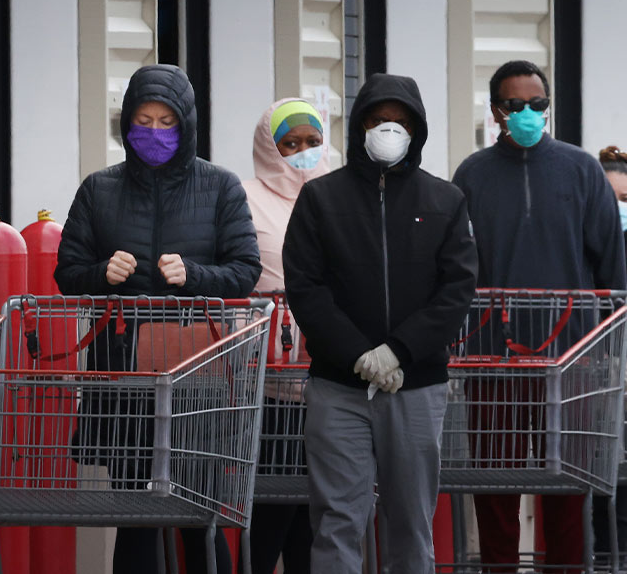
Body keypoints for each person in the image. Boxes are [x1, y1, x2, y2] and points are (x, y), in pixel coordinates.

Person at [53, 63, 261, 574]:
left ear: (186, 125)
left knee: (198, 513)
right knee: (135, 516)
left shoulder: (220, 186)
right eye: (143, 121)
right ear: (126, 123)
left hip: (198, 382)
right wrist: (102, 273)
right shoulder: (99, 189)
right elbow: (67, 273)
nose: (154, 132)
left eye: (166, 122)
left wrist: (194, 275)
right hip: (123, 379)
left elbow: (245, 271)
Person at [283, 73, 478, 574]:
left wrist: (398, 351)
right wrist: (358, 355)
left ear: (417, 130)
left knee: (411, 522)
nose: (390, 129)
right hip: (338, 386)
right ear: (359, 126)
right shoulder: (321, 198)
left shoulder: (445, 200)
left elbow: (456, 289)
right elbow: (306, 288)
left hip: (416, 386)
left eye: (401, 121)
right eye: (378, 119)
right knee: (337, 520)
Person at [453, 60, 626, 573]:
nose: (527, 112)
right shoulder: (471, 175)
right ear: (496, 111)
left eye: (537, 104)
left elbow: (611, 264)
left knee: (568, 488)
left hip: (572, 361)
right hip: (493, 359)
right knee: (495, 486)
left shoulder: (581, 169)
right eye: (516, 105)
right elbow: (456, 265)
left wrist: (607, 342)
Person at [240, 99, 330, 574]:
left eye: (312, 142)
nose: (302, 152)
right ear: (268, 147)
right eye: (290, 143)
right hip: (272, 386)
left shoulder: (339, 195)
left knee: (314, 524)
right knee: (269, 517)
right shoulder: (245, 198)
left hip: (333, 385)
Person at [594, 146, 627, 565]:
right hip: (596, 380)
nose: (619, 207)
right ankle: (605, 555)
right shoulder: (591, 250)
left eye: (625, 199)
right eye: (612, 199)